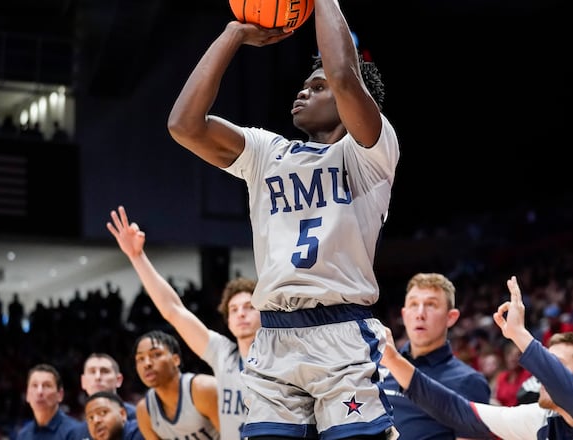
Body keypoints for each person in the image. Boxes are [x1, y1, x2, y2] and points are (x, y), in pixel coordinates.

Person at [166, 0, 399, 437]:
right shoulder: (267, 152)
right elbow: (184, 125)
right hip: (273, 335)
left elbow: (347, 77)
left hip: (341, 332)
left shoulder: (371, 151)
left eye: (316, 86)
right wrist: (232, 34)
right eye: (304, 86)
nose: (302, 92)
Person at [380, 276, 573, 440]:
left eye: (556, 365)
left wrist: (519, 335)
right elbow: (459, 411)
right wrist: (393, 361)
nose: (542, 374)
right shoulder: (541, 417)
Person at [107, 205, 260, 439]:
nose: (240, 314)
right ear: (227, 320)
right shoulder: (223, 354)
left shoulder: (280, 352)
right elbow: (174, 311)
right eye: (234, 309)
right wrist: (137, 257)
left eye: (249, 307)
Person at [380, 272, 491, 439]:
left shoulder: (469, 381)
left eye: (431, 305)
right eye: (413, 304)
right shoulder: (381, 370)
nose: (420, 314)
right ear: (404, 315)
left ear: (451, 317)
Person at [132, 330, 220, 440]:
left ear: (176, 360)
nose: (147, 364)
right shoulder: (144, 411)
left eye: (156, 354)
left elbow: (235, 435)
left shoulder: (204, 389)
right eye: (140, 359)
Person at [17, 363, 84, 439]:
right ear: (27, 395)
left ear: (60, 395)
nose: (39, 391)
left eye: (47, 385)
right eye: (35, 385)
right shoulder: (23, 435)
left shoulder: (76, 432)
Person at [80, 353, 137, 420]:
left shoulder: (137, 417)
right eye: (92, 372)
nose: (97, 377)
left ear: (118, 380)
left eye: (105, 371)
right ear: (83, 381)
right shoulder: (74, 425)